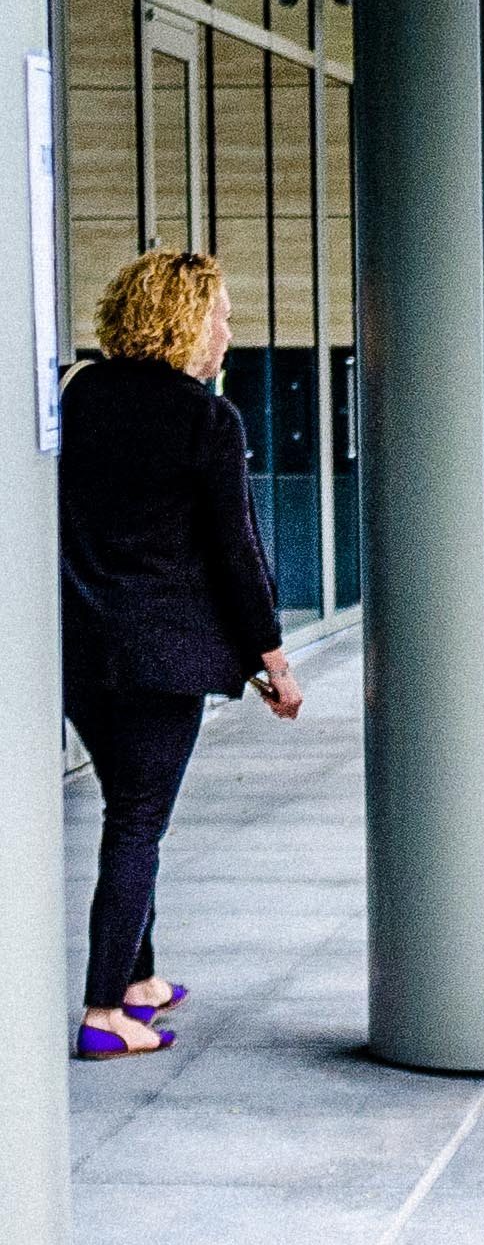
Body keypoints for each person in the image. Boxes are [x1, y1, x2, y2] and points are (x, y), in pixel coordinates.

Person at [60, 250, 301, 1061]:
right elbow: (237, 553)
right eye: (221, 315)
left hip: (81, 647)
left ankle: (137, 981)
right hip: (162, 656)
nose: (230, 332)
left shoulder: (80, 394)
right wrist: (274, 659)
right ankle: (103, 1011)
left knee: (129, 806)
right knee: (137, 821)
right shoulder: (206, 419)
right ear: (185, 317)